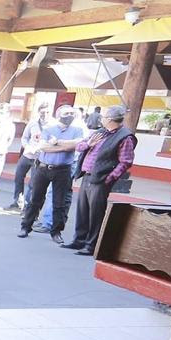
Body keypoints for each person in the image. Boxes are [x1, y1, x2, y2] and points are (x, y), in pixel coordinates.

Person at [63, 104, 136, 256]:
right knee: (82, 210)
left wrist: (110, 178)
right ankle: (79, 240)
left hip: (102, 178)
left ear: (110, 119)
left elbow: (126, 161)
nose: (101, 119)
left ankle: (91, 245)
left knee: (96, 213)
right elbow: (80, 146)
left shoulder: (125, 136)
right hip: (88, 175)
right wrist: (88, 145)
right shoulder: (100, 132)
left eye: (103, 117)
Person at [18, 105, 83, 244]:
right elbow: (43, 147)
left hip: (63, 170)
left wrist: (57, 143)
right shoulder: (49, 129)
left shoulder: (77, 130)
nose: (70, 116)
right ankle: (26, 226)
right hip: (43, 168)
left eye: (72, 113)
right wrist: (64, 146)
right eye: (67, 113)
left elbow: (75, 146)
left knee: (59, 202)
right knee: (35, 199)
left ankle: (56, 231)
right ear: (59, 114)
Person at [9, 102, 50, 212]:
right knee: (18, 177)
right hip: (27, 155)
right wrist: (27, 147)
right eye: (42, 112)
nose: (45, 114)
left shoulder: (53, 125)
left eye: (47, 112)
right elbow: (24, 138)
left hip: (40, 157)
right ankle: (17, 202)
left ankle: (27, 207)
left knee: (34, 183)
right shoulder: (33, 123)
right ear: (38, 112)